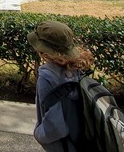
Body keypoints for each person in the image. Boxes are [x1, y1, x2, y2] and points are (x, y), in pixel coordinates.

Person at [27, 20, 94, 151]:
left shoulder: (48, 76)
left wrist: (38, 134)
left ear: (43, 50)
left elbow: (55, 128)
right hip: (83, 142)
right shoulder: (78, 69)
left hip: (63, 146)